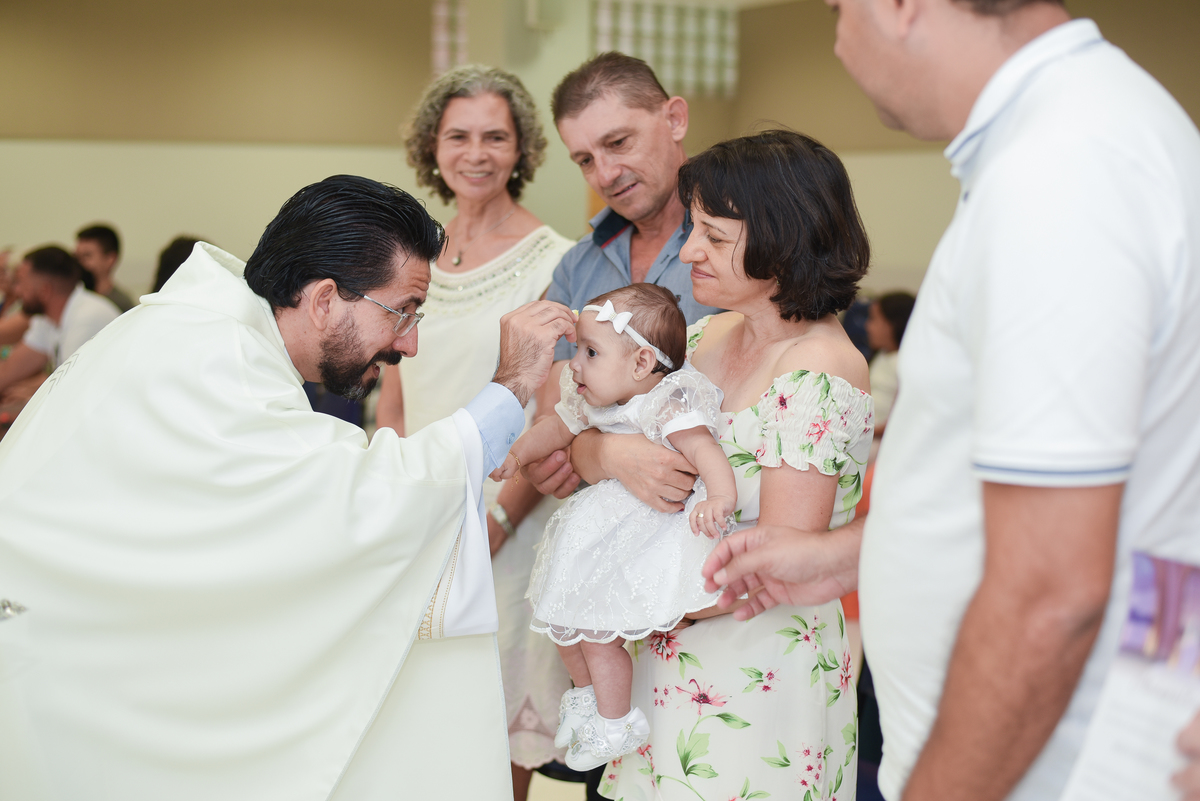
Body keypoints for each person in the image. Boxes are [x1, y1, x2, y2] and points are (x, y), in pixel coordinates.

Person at [703, 2, 1200, 801]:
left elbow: (1052, 591)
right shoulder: (1067, 140)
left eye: (839, 10)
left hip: (1043, 764)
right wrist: (844, 553)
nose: (835, 39)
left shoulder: (1065, 169)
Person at [0, 175, 577, 801]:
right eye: (403, 311)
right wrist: (511, 384)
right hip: (71, 679)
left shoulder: (201, 332)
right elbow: (362, 502)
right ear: (326, 298)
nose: (410, 342)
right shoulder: (213, 360)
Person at [549, 130, 870, 801]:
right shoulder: (704, 334)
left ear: (785, 237)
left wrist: (602, 593)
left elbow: (766, 571)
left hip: (749, 671)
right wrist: (609, 453)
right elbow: (590, 431)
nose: (690, 250)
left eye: (714, 237)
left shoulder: (818, 366)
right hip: (660, 650)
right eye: (694, 229)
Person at [372, 63, 575, 799]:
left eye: (496, 135)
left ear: (522, 150)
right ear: (433, 146)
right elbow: (392, 392)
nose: (477, 152)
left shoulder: (556, 260)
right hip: (421, 508)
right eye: (458, 135)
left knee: (490, 739)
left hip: (505, 525)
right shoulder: (412, 251)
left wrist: (489, 521)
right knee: (411, 724)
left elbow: (551, 409)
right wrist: (397, 496)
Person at [493, 284, 735, 771]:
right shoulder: (590, 402)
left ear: (642, 363)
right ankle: (585, 700)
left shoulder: (666, 402)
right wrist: (517, 454)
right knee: (566, 623)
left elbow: (706, 452)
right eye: (577, 349)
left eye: (590, 352)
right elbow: (552, 428)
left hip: (641, 533)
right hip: (596, 534)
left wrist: (720, 497)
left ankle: (616, 719)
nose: (574, 365)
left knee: (597, 634)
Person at [0, 245, 119, 403]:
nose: (17, 291)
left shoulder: (87, 318)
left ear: (45, 290)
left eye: (21, 283)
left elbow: (69, 393)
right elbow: (9, 371)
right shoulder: (46, 318)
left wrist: (31, 396)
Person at [864, 291, 914, 436]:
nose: (868, 326)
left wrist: (866, 433)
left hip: (884, 437)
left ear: (894, 323)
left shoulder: (905, 362)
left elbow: (903, 416)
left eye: (874, 319)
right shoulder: (881, 356)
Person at [76, 224, 135, 312]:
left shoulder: (121, 304)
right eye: (77, 256)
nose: (79, 262)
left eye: (87, 256)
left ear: (110, 259)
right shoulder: (74, 300)